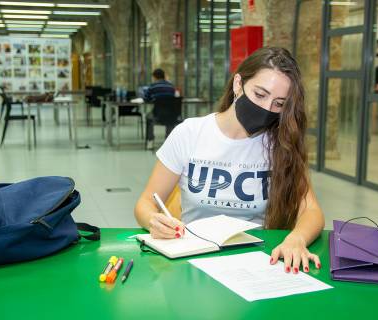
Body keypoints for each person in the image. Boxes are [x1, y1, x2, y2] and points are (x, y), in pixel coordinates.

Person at [134, 47, 325, 274]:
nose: (266, 108)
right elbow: (146, 202)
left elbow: (312, 211)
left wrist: (298, 238)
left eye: (279, 104)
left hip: (255, 262)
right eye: (260, 94)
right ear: (238, 84)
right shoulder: (190, 133)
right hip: (192, 259)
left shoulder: (281, 143)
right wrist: (153, 220)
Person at [144, 68, 176, 149]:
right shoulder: (171, 86)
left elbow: (146, 99)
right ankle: (169, 141)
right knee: (170, 117)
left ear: (154, 77)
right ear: (164, 76)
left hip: (157, 114)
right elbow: (174, 98)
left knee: (148, 117)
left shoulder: (153, 86)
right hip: (171, 113)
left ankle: (150, 141)